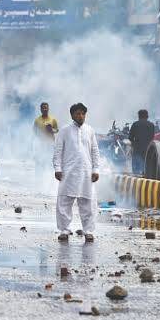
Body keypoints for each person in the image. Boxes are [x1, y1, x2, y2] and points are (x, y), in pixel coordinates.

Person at [53, 103, 100, 243]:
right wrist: (57, 168)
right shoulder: (64, 131)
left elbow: (95, 151)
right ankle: (64, 230)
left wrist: (96, 169)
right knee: (64, 202)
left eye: (83, 114)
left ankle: (89, 231)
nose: (81, 116)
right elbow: (58, 151)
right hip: (68, 172)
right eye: (78, 113)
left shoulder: (90, 130)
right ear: (72, 115)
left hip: (86, 172)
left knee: (88, 202)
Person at [33, 102, 58, 178]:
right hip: (41, 144)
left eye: (46, 107)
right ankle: (39, 177)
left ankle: (50, 177)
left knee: (51, 161)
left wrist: (52, 130)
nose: (45, 109)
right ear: (40, 109)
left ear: (48, 109)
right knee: (40, 161)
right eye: (43, 108)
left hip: (50, 143)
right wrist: (40, 136)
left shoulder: (53, 119)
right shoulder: (37, 120)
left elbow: (57, 130)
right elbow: (34, 131)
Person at [128, 109, 155, 174]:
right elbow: (152, 137)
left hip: (137, 149)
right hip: (148, 150)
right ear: (147, 116)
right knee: (146, 167)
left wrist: (134, 144)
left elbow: (130, 137)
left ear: (139, 116)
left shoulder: (135, 124)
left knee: (136, 170)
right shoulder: (151, 125)